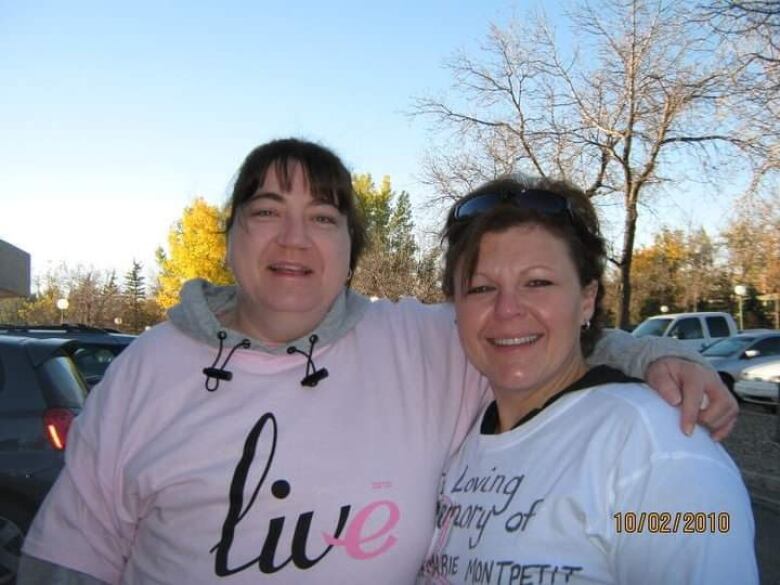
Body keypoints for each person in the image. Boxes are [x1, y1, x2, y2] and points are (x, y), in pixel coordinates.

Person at [20, 139, 737, 585]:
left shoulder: (658, 453)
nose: (294, 238)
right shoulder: (148, 367)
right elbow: (72, 554)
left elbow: (544, 345)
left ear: (350, 250)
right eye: (267, 210)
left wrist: (660, 356)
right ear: (231, 235)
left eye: (324, 218)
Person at [417, 176, 757, 584]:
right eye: (482, 287)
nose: (507, 309)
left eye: (538, 283)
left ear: (587, 299)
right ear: (455, 307)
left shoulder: (657, 450)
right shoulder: (466, 444)